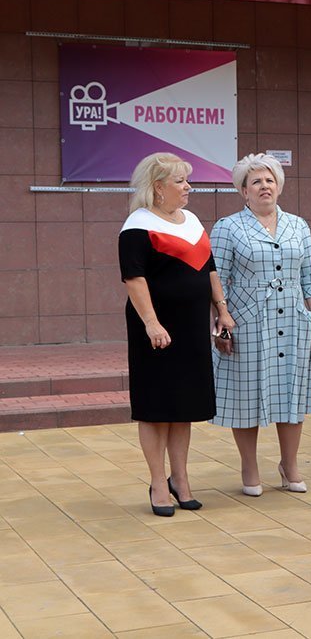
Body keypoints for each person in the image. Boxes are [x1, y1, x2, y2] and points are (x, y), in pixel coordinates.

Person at [119, 153, 234, 516]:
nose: (188, 187)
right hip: (156, 328)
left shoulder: (193, 221)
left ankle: (180, 480)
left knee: (182, 406)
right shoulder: (137, 225)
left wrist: (223, 310)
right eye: (180, 181)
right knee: (157, 409)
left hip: (190, 326)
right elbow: (134, 279)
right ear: (158, 187)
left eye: (188, 179)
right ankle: (157, 483)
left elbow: (209, 268)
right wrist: (151, 323)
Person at [211, 153, 311, 497]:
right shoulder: (227, 227)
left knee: (292, 394)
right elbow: (216, 277)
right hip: (246, 319)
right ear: (243, 191)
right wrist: (221, 320)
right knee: (246, 395)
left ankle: (289, 465)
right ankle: (249, 465)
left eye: (270, 180)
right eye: (256, 181)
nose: (265, 186)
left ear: (279, 187)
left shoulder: (298, 225)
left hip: (292, 318)